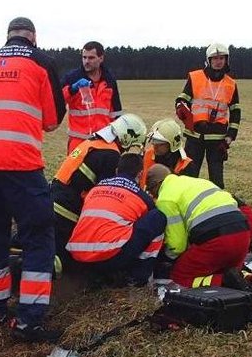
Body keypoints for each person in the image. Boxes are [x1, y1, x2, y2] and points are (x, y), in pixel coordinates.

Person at [0, 17, 67, 343]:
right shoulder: (41, 62)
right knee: (38, 238)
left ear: (8, 36)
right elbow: (52, 121)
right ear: (33, 38)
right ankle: (29, 321)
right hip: (21, 168)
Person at [52, 113, 147, 261]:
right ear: (127, 137)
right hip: (66, 212)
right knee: (66, 261)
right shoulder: (111, 155)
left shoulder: (93, 143)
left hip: (54, 200)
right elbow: (104, 198)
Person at [66, 153, 166, 286]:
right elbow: (145, 230)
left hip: (77, 254)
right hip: (110, 257)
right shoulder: (142, 198)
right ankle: (138, 278)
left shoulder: (95, 189)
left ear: (117, 170)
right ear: (140, 174)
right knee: (158, 218)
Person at [146, 165, 252, 288]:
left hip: (216, 240)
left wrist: (166, 260)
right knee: (225, 270)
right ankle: (249, 279)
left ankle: (223, 282)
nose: (154, 196)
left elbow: (177, 245)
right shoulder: (198, 182)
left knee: (180, 276)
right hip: (242, 235)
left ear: (156, 185)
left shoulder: (165, 198)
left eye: (151, 191)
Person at [174, 43, 241, 189]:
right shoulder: (195, 77)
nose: (218, 61)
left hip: (217, 140)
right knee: (189, 177)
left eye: (221, 58)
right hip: (195, 136)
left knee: (217, 181)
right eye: (215, 58)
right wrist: (180, 106)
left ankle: (216, 208)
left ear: (226, 60)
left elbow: (236, 111)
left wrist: (230, 136)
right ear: (208, 60)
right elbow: (183, 98)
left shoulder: (231, 84)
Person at [61, 41, 123, 153]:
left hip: (103, 141)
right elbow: (58, 100)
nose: (86, 61)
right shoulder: (72, 78)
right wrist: (72, 89)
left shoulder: (109, 80)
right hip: (78, 141)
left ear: (101, 58)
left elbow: (116, 113)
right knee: (75, 171)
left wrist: (118, 140)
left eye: (91, 58)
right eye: (84, 57)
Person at [139, 119, 191, 188]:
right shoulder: (148, 154)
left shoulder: (186, 166)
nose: (155, 147)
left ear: (172, 144)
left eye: (160, 144)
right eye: (154, 142)